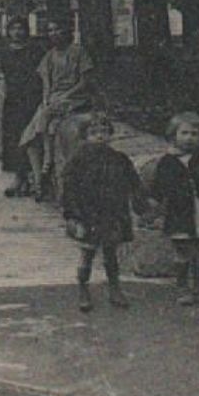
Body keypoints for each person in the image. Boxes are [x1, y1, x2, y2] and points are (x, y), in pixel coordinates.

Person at [60, 113, 148, 311]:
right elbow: (69, 189)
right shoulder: (78, 161)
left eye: (104, 132)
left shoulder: (119, 159)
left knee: (111, 252)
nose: (100, 136)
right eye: (93, 133)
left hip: (112, 213)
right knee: (87, 252)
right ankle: (83, 289)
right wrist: (73, 215)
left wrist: (139, 202)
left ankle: (115, 288)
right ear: (85, 137)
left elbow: (133, 182)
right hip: (88, 214)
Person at [148, 112, 199, 305]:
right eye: (184, 133)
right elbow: (158, 188)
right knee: (183, 251)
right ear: (173, 135)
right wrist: (153, 207)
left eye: (194, 134)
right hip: (180, 213)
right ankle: (182, 288)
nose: (189, 138)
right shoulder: (167, 162)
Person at [19, 18, 102, 201]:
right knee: (29, 139)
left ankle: (48, 160)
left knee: (48, 121)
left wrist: (65, 96)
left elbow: (85, 81)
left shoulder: (78, 52)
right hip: (54, 100)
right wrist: (46, 98)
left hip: (74, 98)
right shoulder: (49, 55)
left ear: (67, 31)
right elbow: (46, 83)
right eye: (50, 30)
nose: (54, 34)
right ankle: (40, 182)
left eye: (58, 29)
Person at [0, 17, 47, 197]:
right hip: (12, 100)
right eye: (13, 29)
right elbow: (5, 76)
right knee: (12, 137)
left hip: (31, 99)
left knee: (30, 138)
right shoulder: (5, 52)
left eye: (20, 28)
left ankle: (32, 177)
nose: (17, 32)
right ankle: (18, 177)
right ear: (8, 31)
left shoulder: (35, 51)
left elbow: (41, 76)